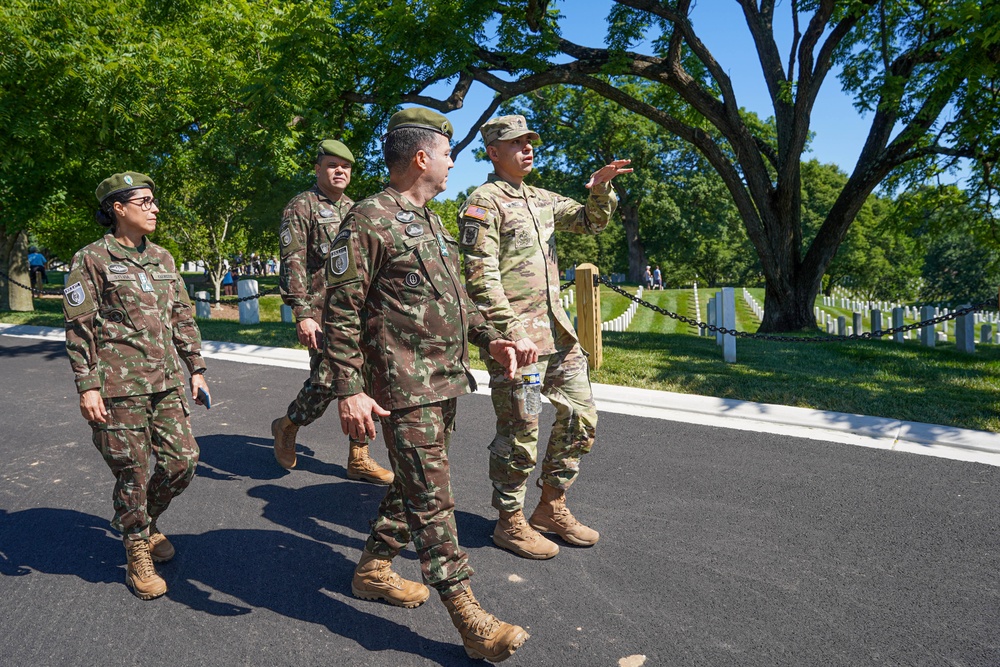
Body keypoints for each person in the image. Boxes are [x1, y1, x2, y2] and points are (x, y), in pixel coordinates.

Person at [324, 108, 529, 662]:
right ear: (422, 157)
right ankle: (469, 617)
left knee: (415, 482)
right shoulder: (369, 219)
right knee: (434, 498)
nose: (452, 162)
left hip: (441, 380)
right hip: (399, 388)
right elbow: (339, 311)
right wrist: (349, 390)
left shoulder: (432, 222)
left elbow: (454, 301)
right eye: (447, 152)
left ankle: (371, 568)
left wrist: (493, 339)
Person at [458, 114, 631, 560]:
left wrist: (600, 188)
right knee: (522, 430)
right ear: (494, 153)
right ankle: (509, 521)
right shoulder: (483, 204)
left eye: (530, 142)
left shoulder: (540, 198)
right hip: (521, 348)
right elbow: (481, 277)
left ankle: (551, 505)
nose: (528, 149)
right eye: (516, 144)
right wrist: (512, 330)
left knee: (580, 416)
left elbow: (590, 223)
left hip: (559, 338)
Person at [62, 172, 210, 600]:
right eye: (143, 202)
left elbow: (181, 314)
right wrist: (87, 386)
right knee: (133, 470)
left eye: (153, 201)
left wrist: (195, 367)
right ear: (118, 210)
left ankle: (142, 521)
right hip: (117, 388)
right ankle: (136, 550)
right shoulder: (91, 258)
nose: (154, 208)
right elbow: (79, 328)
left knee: (183, 462)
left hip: (164, 383)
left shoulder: (163, 258)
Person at [269, 140, 392, 483]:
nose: (340, 171)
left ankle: (359, 456)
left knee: (365, 380)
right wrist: (301, 312)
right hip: (322, 314)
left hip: (360, 313)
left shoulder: (357, 209)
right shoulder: (302, 206)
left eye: (346, 166)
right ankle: (288, 424)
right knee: (326, 381)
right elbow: (292, 260)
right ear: (318, 168)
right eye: (332, 165)